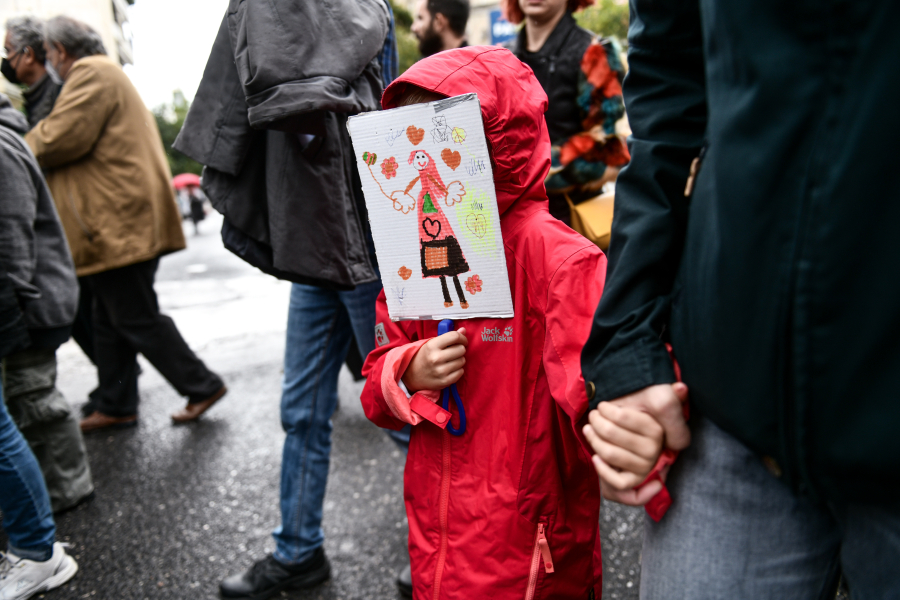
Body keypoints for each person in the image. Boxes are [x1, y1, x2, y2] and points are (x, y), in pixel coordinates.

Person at [580, 0, 900, 598]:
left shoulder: (586, 52)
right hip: (725, 394)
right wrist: (629, 345)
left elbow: (597, 133)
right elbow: (668, 93)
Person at [172, 3, 413, 598]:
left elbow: (370, 115)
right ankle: (298, 551)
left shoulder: (362, 10)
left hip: (359, 238)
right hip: (317, 241)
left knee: (399, 406)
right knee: (303, 410)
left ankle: (450, 535)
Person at [360, 46, 607, 599]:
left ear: (495, 139)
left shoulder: (556, 260)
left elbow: (605, 409)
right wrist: (407, 368)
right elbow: (375, 389)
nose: (429, 152)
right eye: (413, 133)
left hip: (527, 554)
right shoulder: (418, 250)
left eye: (447, 132)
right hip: (436, 542)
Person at [25, 17, 226, 432]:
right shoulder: (100, 73)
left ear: (60, 51)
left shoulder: (91, 72)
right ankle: (117, 403)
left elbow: (58, 138)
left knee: (133, 314)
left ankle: (201, 384)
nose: (49, 64)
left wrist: (16, 142)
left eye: (48, 55)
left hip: (116, 223)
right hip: (114, 222)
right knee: (108, 318)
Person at [0, 91, 93, 513]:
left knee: (35, 398)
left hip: (29, 302)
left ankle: (67, 490)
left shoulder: (1, 146)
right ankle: (52, 486)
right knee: (26, 400)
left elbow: (11, 236)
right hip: (25, 298)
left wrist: (12, 305)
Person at [504, 0, 629, 223]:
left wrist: (522, 170)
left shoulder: (594, 53)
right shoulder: (502, 58)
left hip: (573, 221)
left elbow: (607, 149)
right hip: (515, 221)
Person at [0, 269, 79, 600]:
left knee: (25, 414)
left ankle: (37, 552)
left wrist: (16, 295)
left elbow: (14, 228)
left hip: (29, 298)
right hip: (22, 294)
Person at [2, 16, 62, 130]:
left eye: (8, 51)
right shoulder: (38, 95)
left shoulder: (55, 98)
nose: (6, 59)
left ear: (28, 55)